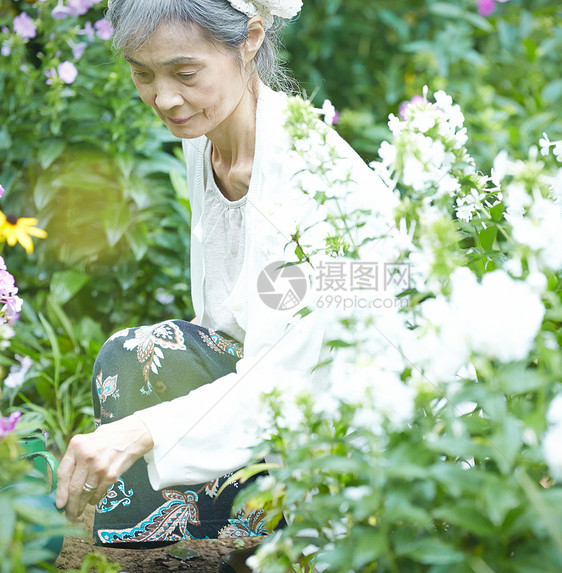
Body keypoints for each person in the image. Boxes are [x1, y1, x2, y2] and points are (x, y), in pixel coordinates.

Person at [54, 0, 395, 567]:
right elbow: (226, 325)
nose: (164, 97)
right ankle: (248, 530)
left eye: (185, 74)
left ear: (251, 40)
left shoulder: (308, 186)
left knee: (147, 386)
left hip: (365, 422)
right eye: (143, 73)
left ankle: (310, 537)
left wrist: (141, 431)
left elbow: (287, 383)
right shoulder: (207, 136)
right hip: (278, 388)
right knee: (136, 360)